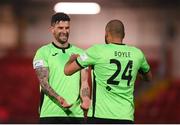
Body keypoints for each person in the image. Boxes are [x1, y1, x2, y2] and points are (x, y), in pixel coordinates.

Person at [64, 19, 152, 124]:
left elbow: (67, 71)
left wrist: (71, 59)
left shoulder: (96, 51)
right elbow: (149, 78)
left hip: (99, 116)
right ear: (124, 35)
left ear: (106, 34)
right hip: (125, 117)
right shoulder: (137, 54)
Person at [33, 12, 91, 124]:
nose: (64, 31)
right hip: (50, 113)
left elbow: (84, 82)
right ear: (52, 29)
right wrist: (59, 98)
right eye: (60, 28)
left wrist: (85, 99)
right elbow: (43, 82)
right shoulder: (43, 52)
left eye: (67, 28)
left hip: (75, 114)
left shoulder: (80, 53)